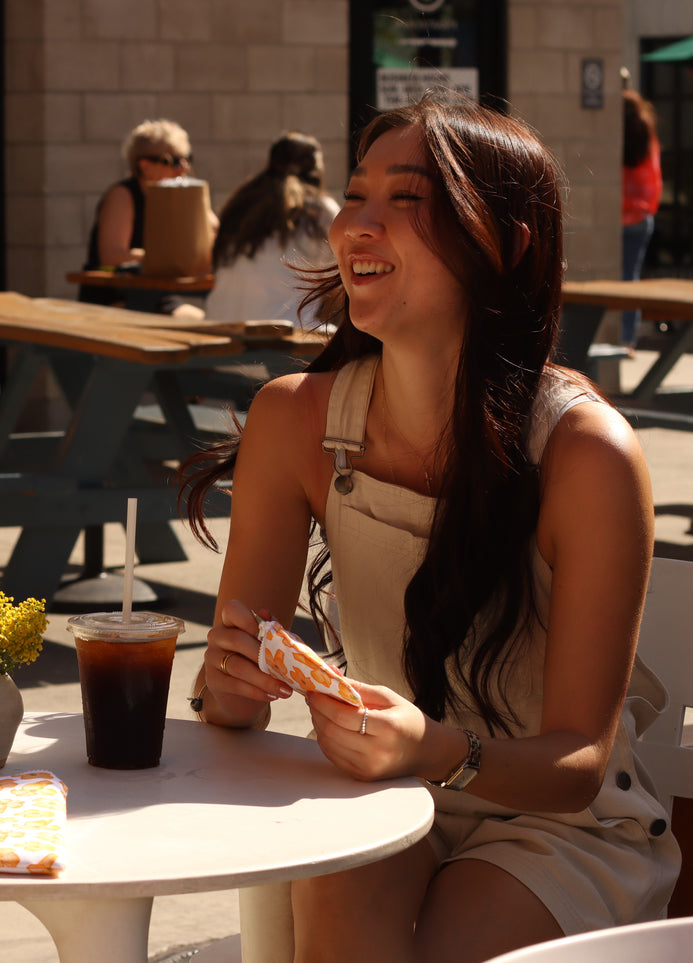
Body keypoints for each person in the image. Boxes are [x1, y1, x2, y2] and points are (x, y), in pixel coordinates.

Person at [179, 92, 678, 962]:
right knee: (337, 899)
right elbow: (231, 702)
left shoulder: (584, 453)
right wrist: (226, 686)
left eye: (406, 198)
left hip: (559, 823)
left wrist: (435, 748)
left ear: (503, 244)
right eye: (356, 193)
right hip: (382, 789)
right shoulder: (292, 421)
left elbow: (577, 764)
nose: (354, 224)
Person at [204, 131, 339, 331]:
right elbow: (341, 282)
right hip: (281, 336)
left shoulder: (241, 203)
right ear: (315, 168)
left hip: (219, 328)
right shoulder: (319, 210)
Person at [77, 118, 218, 307]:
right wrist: (168, 257)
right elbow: (111, 256)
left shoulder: (181, 197)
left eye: (187, 159)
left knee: (201, 320)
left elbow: (216, 238)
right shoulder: (123, 195)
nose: (184, 168)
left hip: (159, 294)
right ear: (145, 167)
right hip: (116, 296)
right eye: (174, 161)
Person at [621, 89, 662, 354]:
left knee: (613, 280)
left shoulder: (616, 134)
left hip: (618, 214)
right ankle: (627, 339)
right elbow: (654, 174)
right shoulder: (646, 133)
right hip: (641, 214)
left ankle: (614, 336)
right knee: (631, 278)